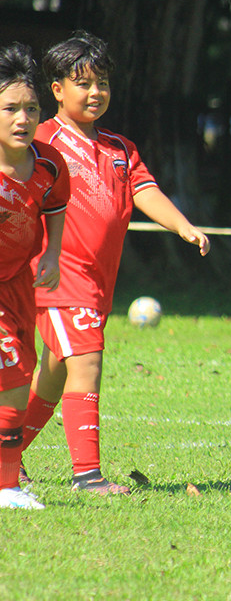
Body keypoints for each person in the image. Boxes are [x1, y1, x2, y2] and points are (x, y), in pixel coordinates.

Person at [18, 31, 210, 496]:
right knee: (86, 362)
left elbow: (144, 189)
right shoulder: (41, 142)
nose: (95, 92)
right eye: (82, 83)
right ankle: (87, 475)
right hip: (57, 277)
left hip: (98, 282)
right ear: (57, 90)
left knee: (56, 370)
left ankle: (7, 451)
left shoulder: (120, 148)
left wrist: (183, 226)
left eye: (102, 82)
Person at [0, 43, 69, 510]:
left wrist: (53, 253)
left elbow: (56, 205)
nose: (23, 119)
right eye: (10, 108)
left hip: (19, 283)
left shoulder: (47, 164)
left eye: (31, 109)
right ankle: (5, 487)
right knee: (14, 375)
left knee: (21, 372)